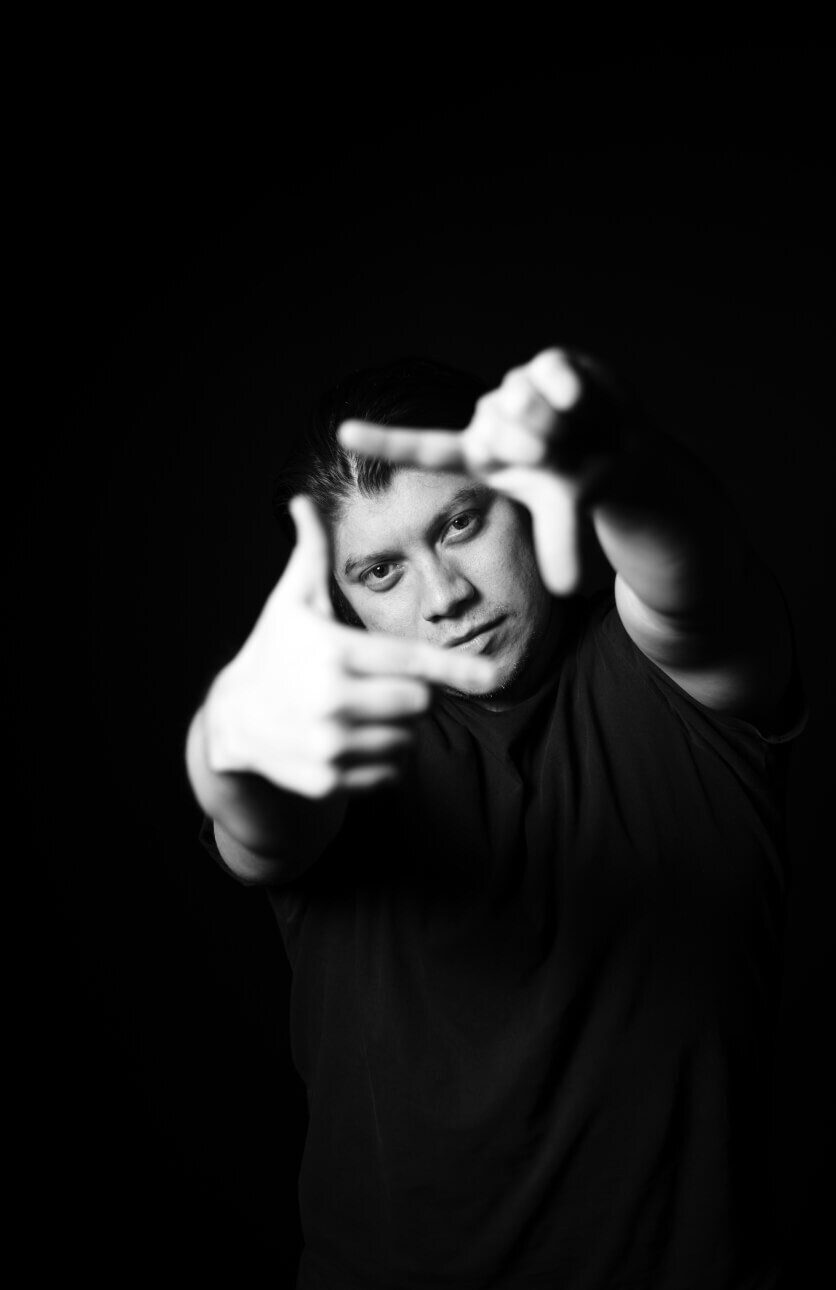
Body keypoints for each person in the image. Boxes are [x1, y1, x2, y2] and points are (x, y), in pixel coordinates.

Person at [185, 348, 805, 1289]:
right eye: (382, 573)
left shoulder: (676, 683)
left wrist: (626, 464)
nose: (444, 598)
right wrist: (229, 749)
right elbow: (263, 816)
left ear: (526, 497)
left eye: (461, 523)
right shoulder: (344, 751)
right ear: (342, 602)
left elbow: (696, 574)